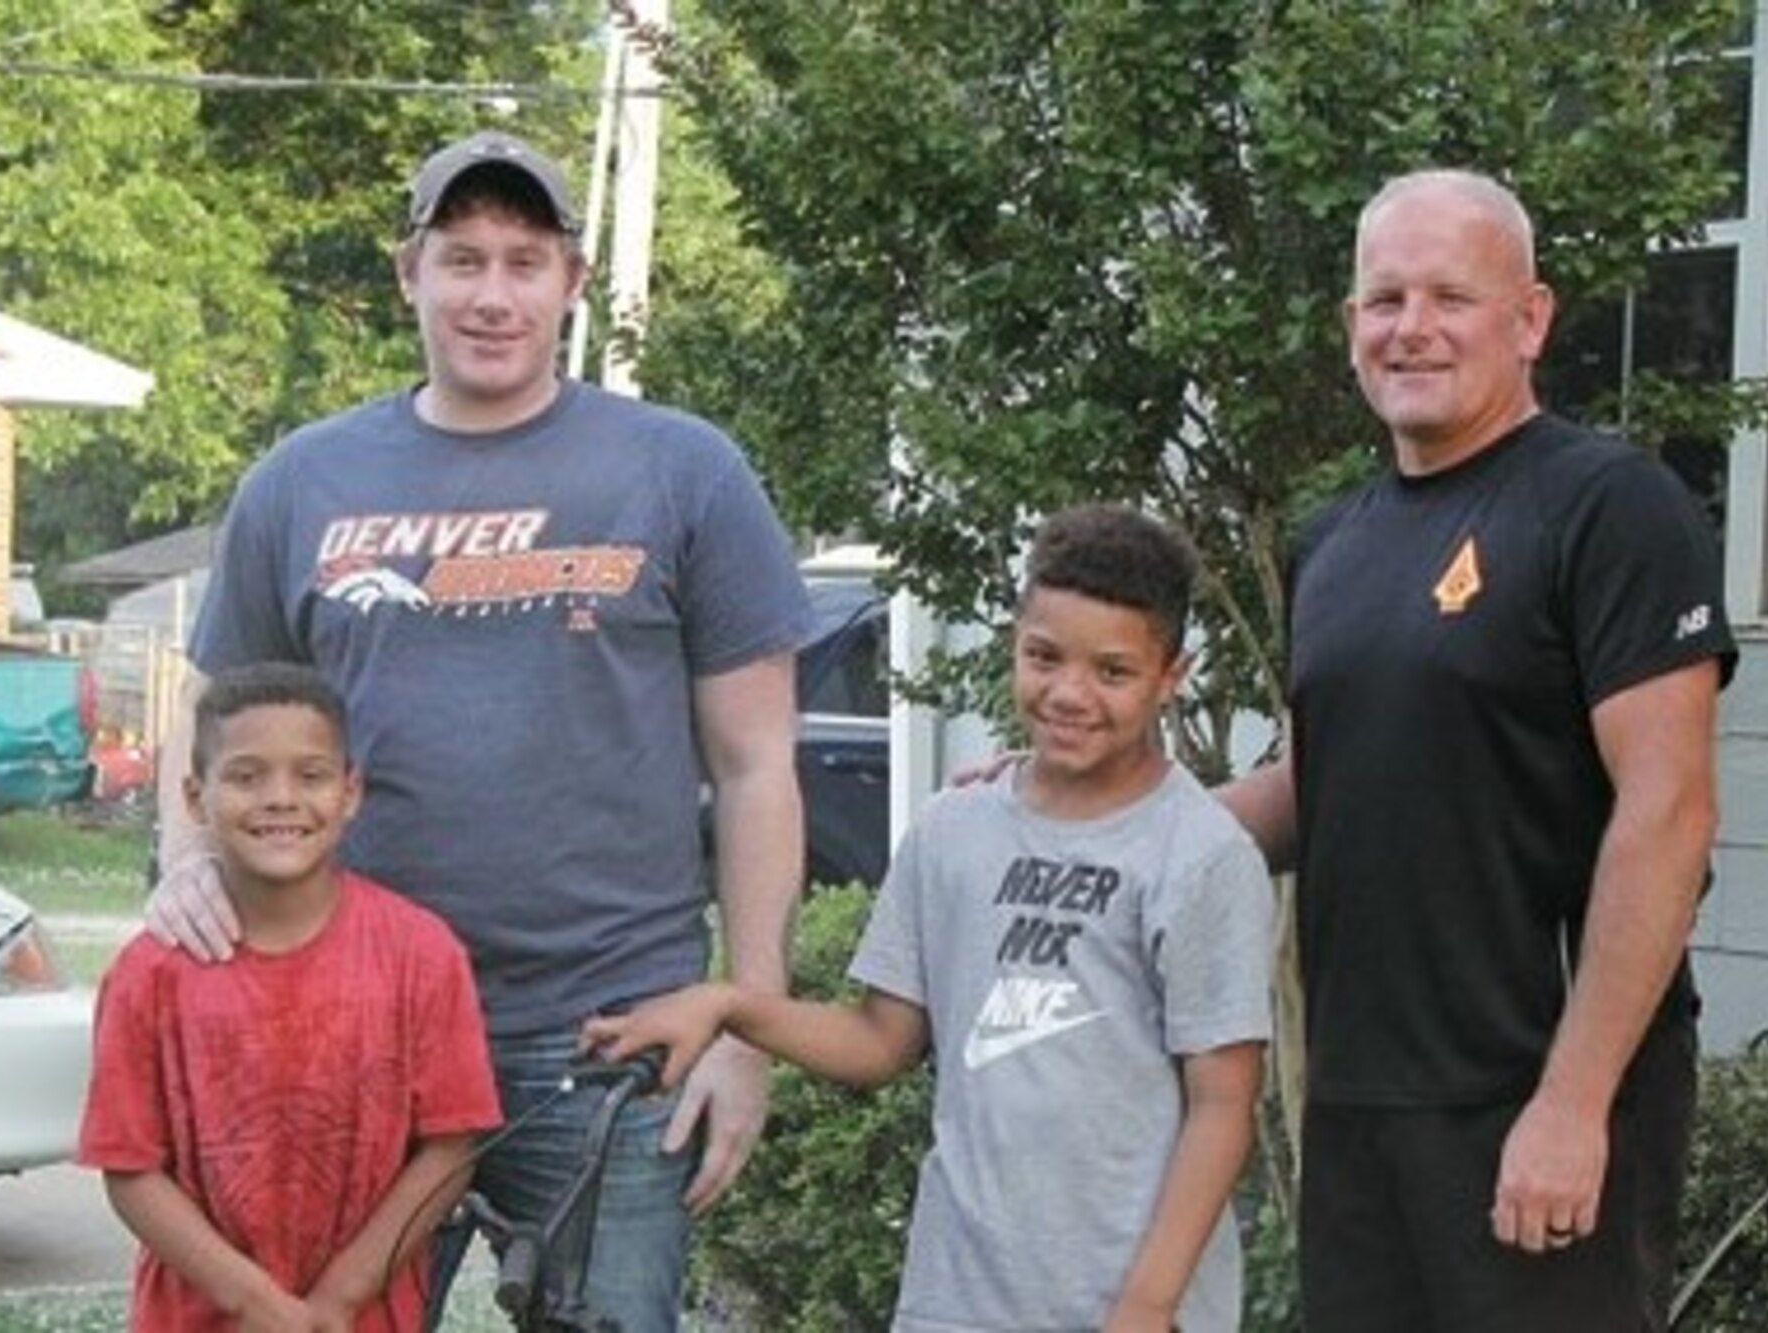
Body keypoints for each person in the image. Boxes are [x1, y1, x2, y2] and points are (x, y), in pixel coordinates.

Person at [145, 129, 812, 1331]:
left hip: (611, 1043)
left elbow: (758, 763)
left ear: (570, 279)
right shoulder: (301, 483)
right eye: (461, 260)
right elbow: (214, 726)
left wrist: (748, 1023)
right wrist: (185, 866)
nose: (491, 295)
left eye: (522, 260)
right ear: (409, 274)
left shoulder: (684, 472)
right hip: (352, 1031)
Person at [1215, 168, 1738, 1332]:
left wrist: (1573, 1100)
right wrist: (1090, 812)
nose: (1410, 327)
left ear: (1529, 317)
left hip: (1531, 1102)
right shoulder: (1333, 542)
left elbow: (1669, 811)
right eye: (1383, 298)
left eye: (1449, 295)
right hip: (1356, 1103)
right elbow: (1320, 785)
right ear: (1349, 326)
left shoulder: (1608, 508)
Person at [586, 503, 1278, 1333]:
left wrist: (1147, 1304)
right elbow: (880, 1041)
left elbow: (1223, 1103)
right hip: (959, 1297)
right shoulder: (955, 828)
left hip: (1130, 1305)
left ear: (1172, 676)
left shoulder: (1200, 853)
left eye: (1114, 672)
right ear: (1013, 643)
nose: (1069, 693)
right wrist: (731, 1005)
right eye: (1044, 656)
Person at [81, 662, 502, 1331]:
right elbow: (130, 1168)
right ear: (194, 797)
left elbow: (453, 1146)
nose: (281, 797)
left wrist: (337, 1300)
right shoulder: (149, 972)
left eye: (311, 775)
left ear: (351, 791)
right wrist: (255, 1302)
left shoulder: (423, 954)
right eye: (246, 775)